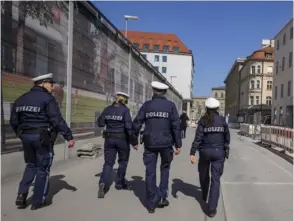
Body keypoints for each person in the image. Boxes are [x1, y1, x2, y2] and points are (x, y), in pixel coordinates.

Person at [10, 73, 75, 210]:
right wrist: (68, 136)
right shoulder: (48, 99)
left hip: (26, 137)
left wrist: (21, 134)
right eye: (51, 84)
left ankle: (21, 195)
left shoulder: (21, 99)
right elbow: (57, 120)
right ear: (44, 83)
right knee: (43, 169)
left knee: (31, 165)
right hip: (42, 139)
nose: (52, 87)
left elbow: (14, 121)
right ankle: (38, 201)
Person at [132, 81, 182, 213]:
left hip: (150, 144)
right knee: (165, 169)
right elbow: (176, 126)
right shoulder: (171, 106)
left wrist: (134, 141)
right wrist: (178, 144)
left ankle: (151, 203)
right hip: (166, 143)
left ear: (153, 91)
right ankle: (162, 197)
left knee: (150, 172)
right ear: (165, 92)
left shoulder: (147, 106)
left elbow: (136, 123)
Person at [189, 97, 230, 218]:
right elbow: (227, 138)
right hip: (218, 153)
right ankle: (212, 209)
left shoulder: (203, 120)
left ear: (207, 108)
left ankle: (204, 194)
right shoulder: (222, 120)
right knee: (215, 180)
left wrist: (192, 152)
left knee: (203, 174)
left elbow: (198, 138)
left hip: (204, 152)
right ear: (217, 108)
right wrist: (225, 147)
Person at [96, 92, 137, 198]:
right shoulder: (125, 110)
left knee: (108, 163)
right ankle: (119, 184)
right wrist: (134, 142)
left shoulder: (107, 109)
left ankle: (103, 183)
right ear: (125, 100)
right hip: (122, 140)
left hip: (109, 139)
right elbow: (128, 127)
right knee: (123, 162)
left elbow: (100, 123)